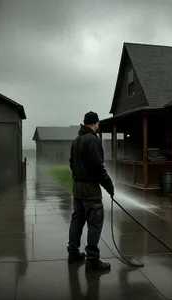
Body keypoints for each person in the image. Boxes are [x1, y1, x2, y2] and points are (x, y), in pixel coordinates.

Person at [67, 111, 114, 271]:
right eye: (98, 124)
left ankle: (73, 253)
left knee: (77, 221)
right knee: (95, 223)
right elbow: (98, 168)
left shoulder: (76, 140)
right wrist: (109, 185)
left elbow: (72, 164)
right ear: (94, 123)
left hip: (77, 188)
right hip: (89, 190)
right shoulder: (93, 140)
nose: (98, 127)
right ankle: (92, 260)